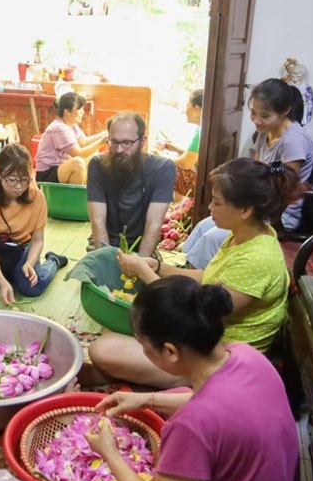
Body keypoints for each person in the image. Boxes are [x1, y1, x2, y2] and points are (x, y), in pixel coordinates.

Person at [53, 275, 299, 481]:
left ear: (169, 351)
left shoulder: (194, 426)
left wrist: (110, 454)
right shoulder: (247, 356)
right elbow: (210, 401)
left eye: (144, 346)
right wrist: (148, 400)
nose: (141, 351)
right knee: (177, 395)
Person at [90, 157, 300, 387]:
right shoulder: (245, 234)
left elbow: (196, 316)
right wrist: (159, 268)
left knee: (103, 349)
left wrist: (144, 274)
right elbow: (209, 279)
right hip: (204, 339)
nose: (210, 208)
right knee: (119, 326)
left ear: (245, 210)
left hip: (218, 359)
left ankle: (192, 382)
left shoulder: (257, 258)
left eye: (217, 203)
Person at [181, 78, 313, 267]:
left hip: (278, 214)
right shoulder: (265, 132)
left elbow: (285, 183)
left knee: (212, 238)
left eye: (265, 116)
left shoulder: (294, 140)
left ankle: (196, 284)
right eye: (253, 113)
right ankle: (180, 268)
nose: (257, 121)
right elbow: (257, 174)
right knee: (204, 225)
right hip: (257, 206)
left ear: (285, 111)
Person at [0, 143, 68, 305]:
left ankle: (53, 260)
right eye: (12, 180)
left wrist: (29, 263)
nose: (19, 186)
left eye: (25, 179)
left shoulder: (37, 198)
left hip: (21, 251)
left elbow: (37, 240)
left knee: (33, 287)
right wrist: (2, 282)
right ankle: (11, 276)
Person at [87, 111, 177, 255]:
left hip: (143, 245)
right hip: (105, 244)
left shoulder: (163, 168)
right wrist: (106, 262)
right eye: (114, 142)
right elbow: (98, 223)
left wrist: (139, 266)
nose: (119, 149)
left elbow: (153, 225)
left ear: (142, 141)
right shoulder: (98, 165)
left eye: (127, 143)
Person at [34, 91, 107, 184]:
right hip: (47, 173)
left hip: (60, 168)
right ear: (67, 111)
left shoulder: (72, 125)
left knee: (94, 156)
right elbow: (78, 153)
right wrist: (101, 142)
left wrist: (104, 134)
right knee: (78, 164)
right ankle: (75, 197)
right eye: (79, 109)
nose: (82, 112)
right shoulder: (59, 128)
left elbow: (83, 142)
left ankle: (88, 193)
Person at [157, 89, 202, 198]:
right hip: (204, 177)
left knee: (161, 167)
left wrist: (160, 157)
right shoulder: (204, 128)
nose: (185, 110)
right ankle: (181, 206)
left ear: (196, 109)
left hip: (200, 183)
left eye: (187, 105)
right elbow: (195, 156)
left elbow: (185, 163)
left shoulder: (202, 131)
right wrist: (175, 149)